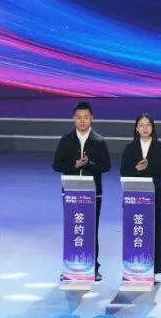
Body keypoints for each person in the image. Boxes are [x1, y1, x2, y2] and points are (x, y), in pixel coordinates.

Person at [52, 101, 111, 280]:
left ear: (92, 118)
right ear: (73, 118)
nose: (82, 120)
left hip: (93, 193)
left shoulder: (99, 141)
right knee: (72, 229)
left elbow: (106, 166)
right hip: (70, 192)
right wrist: (74, 165)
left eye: (86, 117)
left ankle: (93, 268)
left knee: (91, 229)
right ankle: (71, 267)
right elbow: (56, 164)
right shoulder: (66, 140)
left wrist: (89, 164)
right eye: (79, 117)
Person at [120, 112, 161, 276]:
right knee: (136, 232)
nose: (145, 128)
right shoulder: (129, 148)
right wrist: (137, 169)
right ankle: (134, 266)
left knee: (154, 234)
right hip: (134, 197)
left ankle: (153, 269)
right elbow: (123, 171)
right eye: (141, 125)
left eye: (148, 125)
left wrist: (147, 168)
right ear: (136, 128)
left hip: (154, 197)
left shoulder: (160, 147)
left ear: (152, 127)